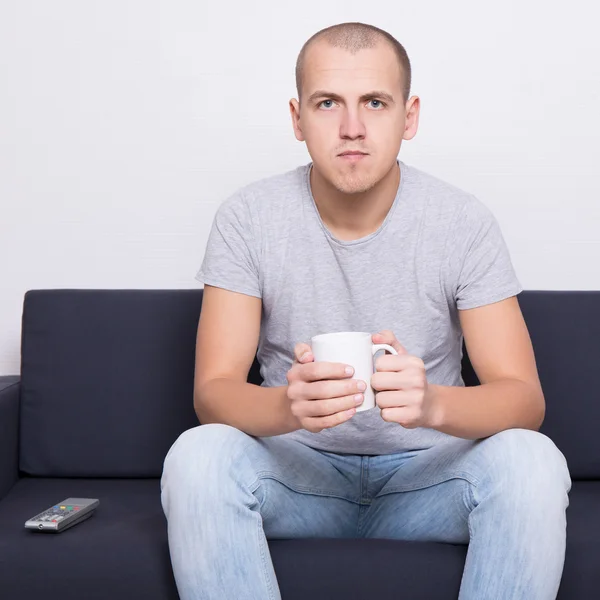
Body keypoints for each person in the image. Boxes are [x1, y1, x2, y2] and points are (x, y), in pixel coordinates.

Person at [160, 21, 571, 600]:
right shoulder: (248, 217)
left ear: (409, 116)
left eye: (374, 103)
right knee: (196, 456)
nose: (351, 128)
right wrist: (286, 404)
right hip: (295, 478)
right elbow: (213, 393)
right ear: (298, 119)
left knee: (533, 461)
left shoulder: (462, 221)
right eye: (328, 103)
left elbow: (525, 401)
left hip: (432, 481)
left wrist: (432, 403)